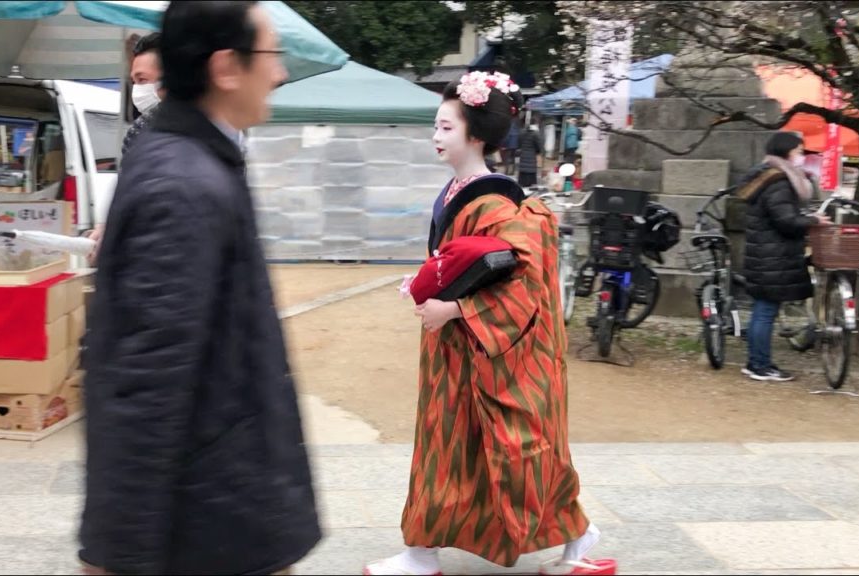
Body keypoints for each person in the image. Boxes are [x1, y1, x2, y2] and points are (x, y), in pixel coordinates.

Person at [78, 3, 319, 575]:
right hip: (208, 521)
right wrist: (117, 550)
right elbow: (145, 377)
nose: (280, 73)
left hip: (222, 502)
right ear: (225, 68)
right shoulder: (182, 183)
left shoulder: (193, 155)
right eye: (270, 56)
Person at [364, 71, 616, 576]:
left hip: (480, 348)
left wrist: (453, 310)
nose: (436, 137)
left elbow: (521, 282)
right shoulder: (464, 191)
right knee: (449, 446)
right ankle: (423, 549)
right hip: (459, 350)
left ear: (475, 134)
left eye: (445, 128)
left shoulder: (498, 204)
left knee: (511, 450)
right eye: (436, 127)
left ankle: (577, 536)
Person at [740, 131, 830, 382]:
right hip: (773, 256)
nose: (801, 156)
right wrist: (813, 220)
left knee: (763, 310)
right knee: (765, 311)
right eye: (799, 151)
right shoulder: (779, 181)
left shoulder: (766, 175)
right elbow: (785, 220)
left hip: (765, 254)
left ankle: (756, 363)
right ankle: (759, 365)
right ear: (786, 152)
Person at [84, 32, 165, 265]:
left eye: (142, 80)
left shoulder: (204, 133)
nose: (137, 91)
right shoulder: (141, 128)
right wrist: (106, 225)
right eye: (134, 82)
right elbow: (127, 184)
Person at [518, 118, 543, 188]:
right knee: (530, 168)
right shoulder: (535, 134)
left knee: (523, 168)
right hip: (531, 154)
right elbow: (538, 145)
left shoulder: (522, 132)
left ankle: (522, 183)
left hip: (523, 153)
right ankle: (530, 182)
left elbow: (519, 142)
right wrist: (538, 151)